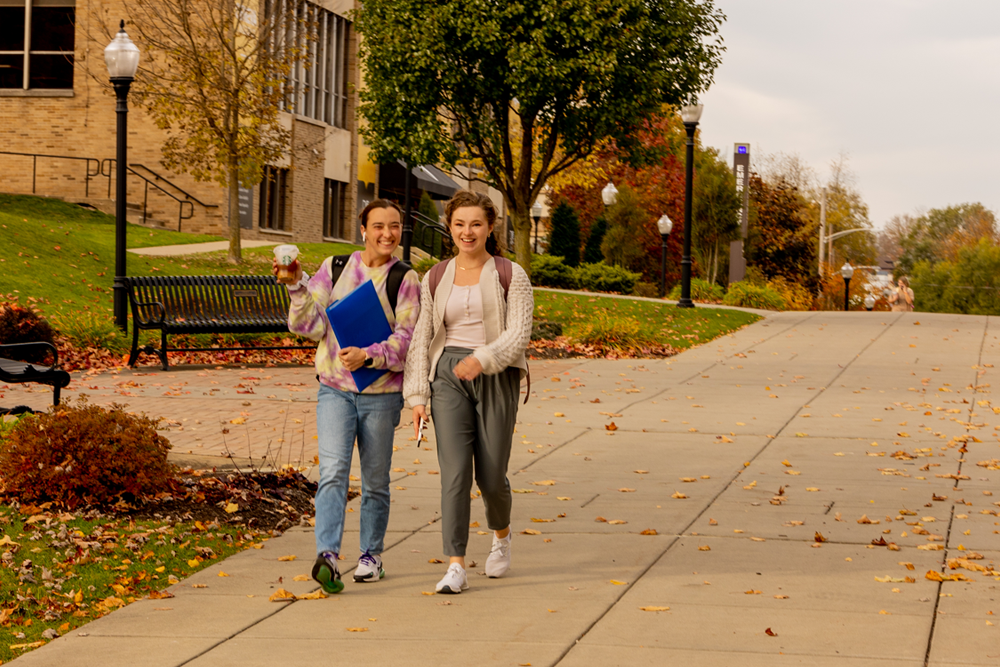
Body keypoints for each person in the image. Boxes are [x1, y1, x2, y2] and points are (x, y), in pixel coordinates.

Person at [275, 199, 421, 594]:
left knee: (375, 481)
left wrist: (369, 354)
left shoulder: (405, 278)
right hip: (335, 390)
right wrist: (295, 285)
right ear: (363, 230)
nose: (387, 234)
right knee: (334, 472)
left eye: (394, 226)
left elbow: (407, 342)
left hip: (381, 395)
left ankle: (371, 555)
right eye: (378, 226)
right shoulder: (336, 268)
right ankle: (327, 556)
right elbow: (309, 325)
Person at [404, 190, 534, 594]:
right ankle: (455, 564)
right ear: (450, 226)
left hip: (496, 375)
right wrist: (417, 397)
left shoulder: (511, 274)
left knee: (491, 476)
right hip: (447, 375)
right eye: (459, 224)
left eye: (475, 223)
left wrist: (483, 358)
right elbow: (422, 335)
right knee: (456, 473)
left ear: (490, 227)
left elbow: (519, 334)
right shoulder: (436, 276)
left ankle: (501, 535)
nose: (467, 231)